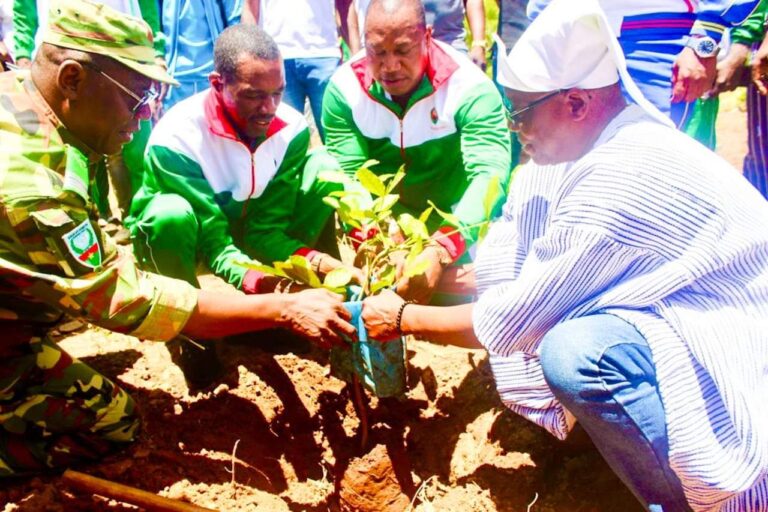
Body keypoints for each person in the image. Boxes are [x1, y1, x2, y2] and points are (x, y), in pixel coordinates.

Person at [362, 0, 768, 509]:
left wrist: (402, 318)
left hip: (740, 345)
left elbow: (514, 320)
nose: (515, 130)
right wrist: (438, 265)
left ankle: (681, 500)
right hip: (691, 313)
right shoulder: (584, 146)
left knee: (575, 353)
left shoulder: (621, 173)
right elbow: (519, 251)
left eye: (520, 114)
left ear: (575, 103)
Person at [0, 0, 354, 477]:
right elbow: (123, 300)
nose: (142, 118)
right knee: (115, 422)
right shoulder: (32, 187)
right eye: (135, 100)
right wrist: (283, 307)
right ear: (72, 80)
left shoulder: (24, 103)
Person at [128, 23, 359, 314]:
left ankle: (318, 296)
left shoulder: (291, 130)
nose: (269, 108)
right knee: (169, 215)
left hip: (253, 234)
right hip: (194, 241)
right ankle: (185, 323)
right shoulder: (177, 139)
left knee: (324, 166)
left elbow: (265, 232)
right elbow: (215, 244)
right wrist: (271, 290)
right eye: (253, 96)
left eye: (278, 93)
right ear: (217, 84)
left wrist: (324, 265)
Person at [322, 0, 511, 304]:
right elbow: (350, 176)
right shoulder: (344, 90)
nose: (390, 66)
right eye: (377, 52)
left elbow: (489, 177)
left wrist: (442, 247)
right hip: (387, 228)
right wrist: (377, 237)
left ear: (427, 37)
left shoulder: (469, 87)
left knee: (463, 313)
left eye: (403, 50)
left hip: (457, 221)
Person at [526, 0, 761, 129]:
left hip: (662, 38)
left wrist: (704, 39)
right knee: (581, 166)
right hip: (576, 31)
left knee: (665, 164)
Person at [250, 0, 342, 141]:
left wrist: (355, 52)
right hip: (276, 56)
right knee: (285, 140)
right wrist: (251, 55)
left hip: (324, 53)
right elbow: (250, 8)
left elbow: (345, 5)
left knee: (338, 134)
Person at [347, 0, 488, 69]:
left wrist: (478, 44)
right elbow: (354, 6)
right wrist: (356, 51)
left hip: (449, 45)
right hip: (399, 51)